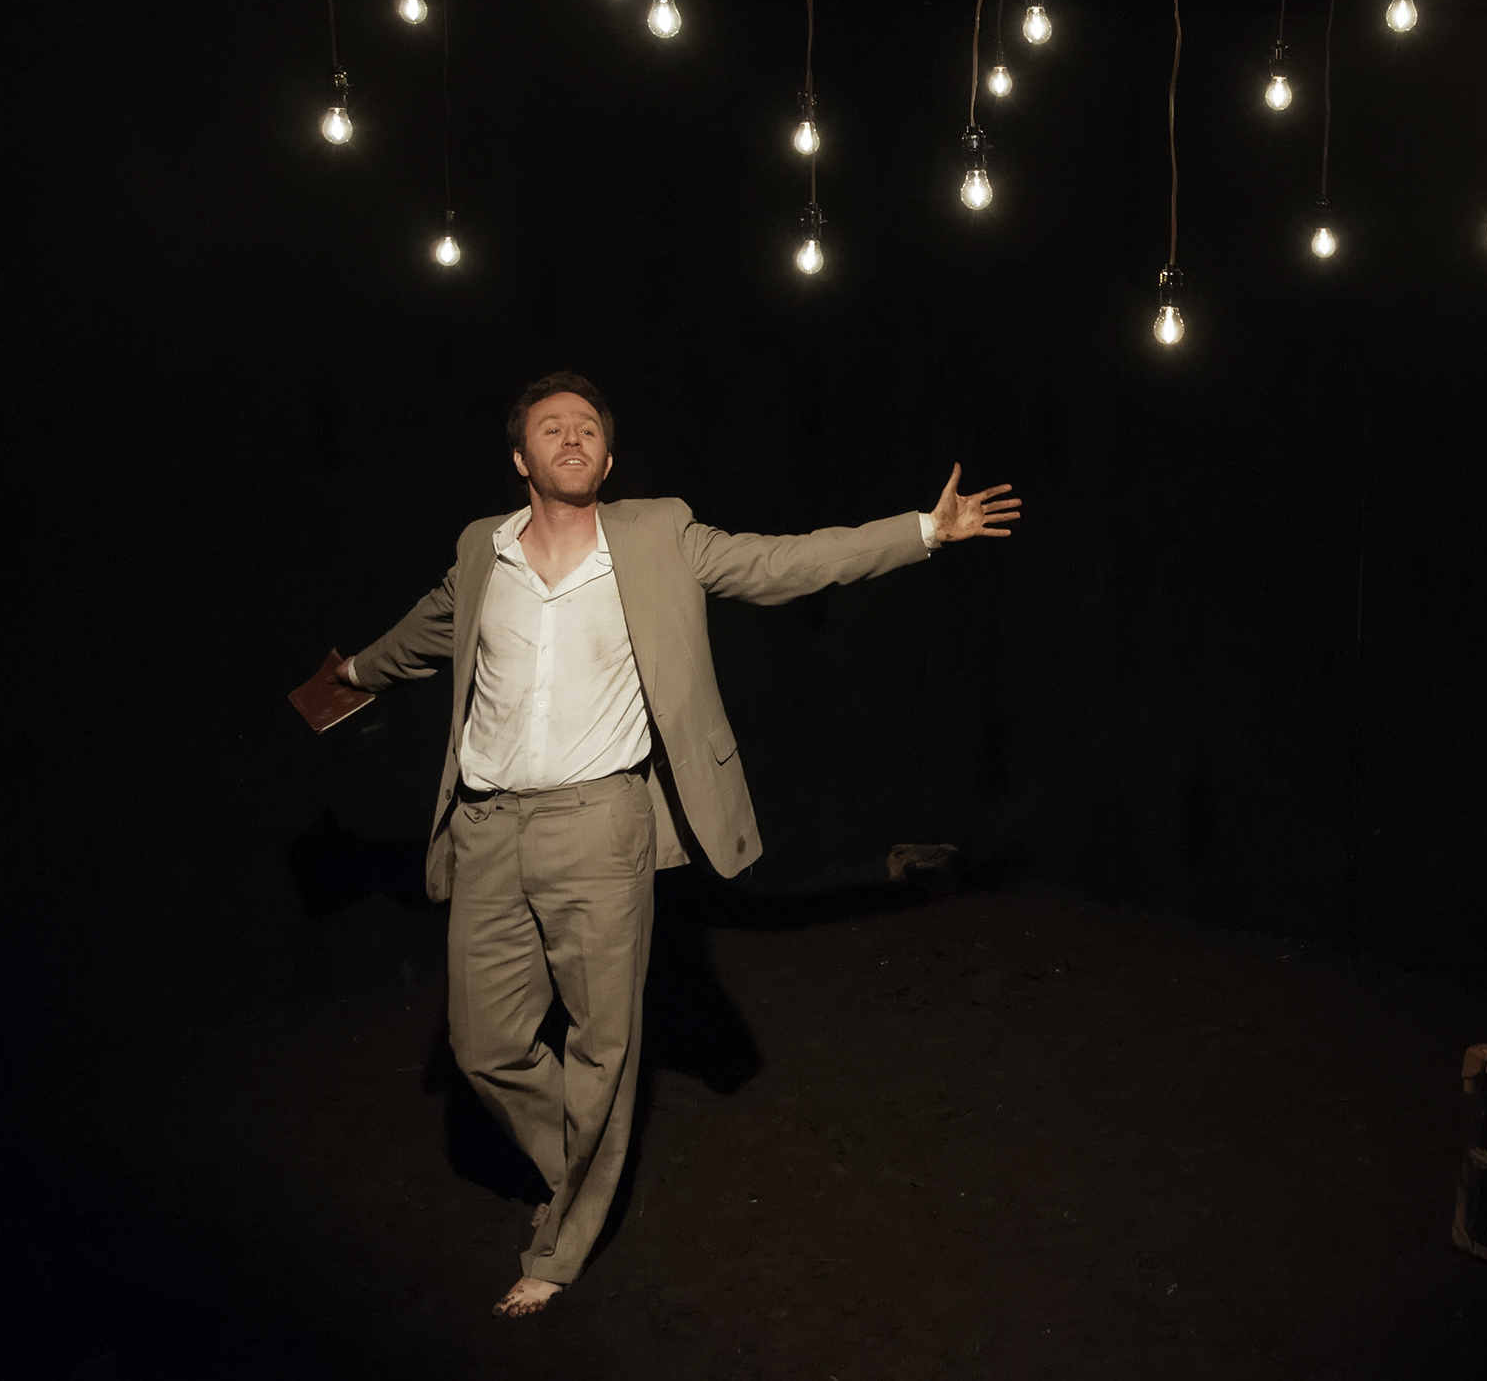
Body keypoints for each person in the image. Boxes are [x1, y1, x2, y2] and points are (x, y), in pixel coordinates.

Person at [339, 371, 1020, 1317]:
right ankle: (581, 1167)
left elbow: (785, 563)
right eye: (551, 427)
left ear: (609, 458)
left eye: (588, 428)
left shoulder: (660, 534)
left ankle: (563, 1245)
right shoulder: (479, 548)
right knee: (483, 1044)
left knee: (603, 1048)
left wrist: (924, 531)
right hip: (487, 828)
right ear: (520, 458)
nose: (571, 438)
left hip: (600, 826)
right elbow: (424, 632)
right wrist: (347, 680)